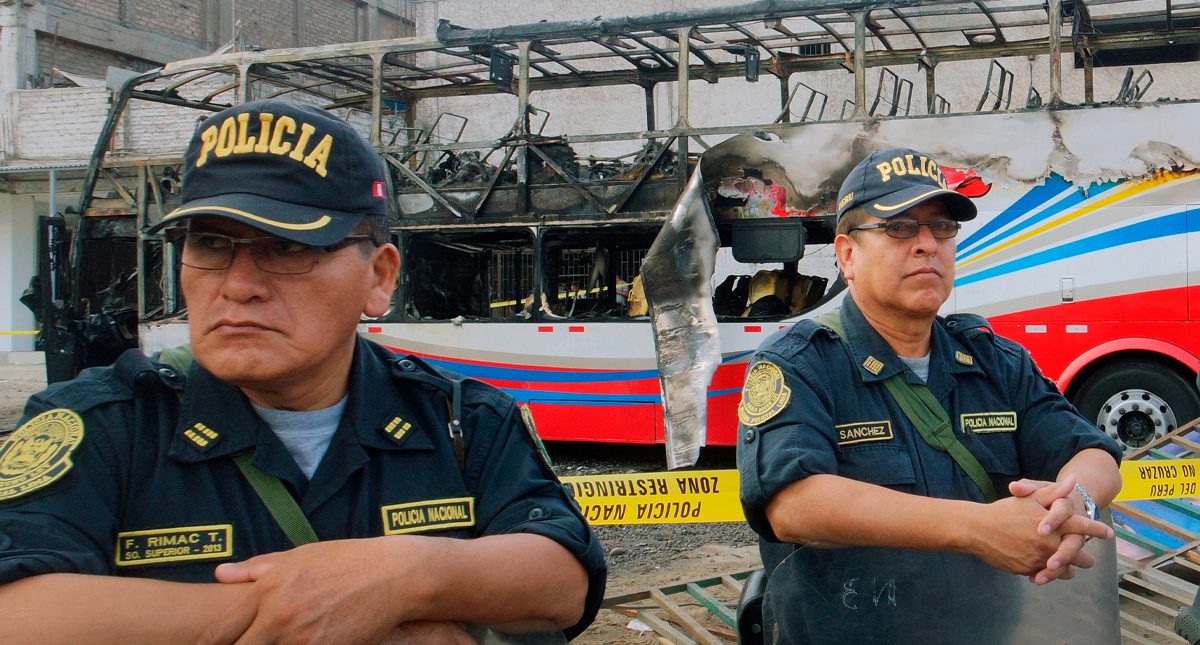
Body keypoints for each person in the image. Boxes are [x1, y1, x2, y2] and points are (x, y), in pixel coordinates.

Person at [0, 99, 605, 645]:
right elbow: (18, 609)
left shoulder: (459, 418)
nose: (237, 286)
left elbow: (561, 580)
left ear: (379, 278)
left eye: (286, 247)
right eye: (210, 245)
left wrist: (405, 578)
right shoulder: (103, 425)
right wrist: (301, 611)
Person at [736, 148, 1122, 644]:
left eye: (941, 227)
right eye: (899, 227)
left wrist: (1074, 505)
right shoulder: (801, 362)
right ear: (847, 255)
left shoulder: (994, 361)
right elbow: (794, 503)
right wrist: (979, 528)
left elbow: (1090, 452)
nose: (927, 244)